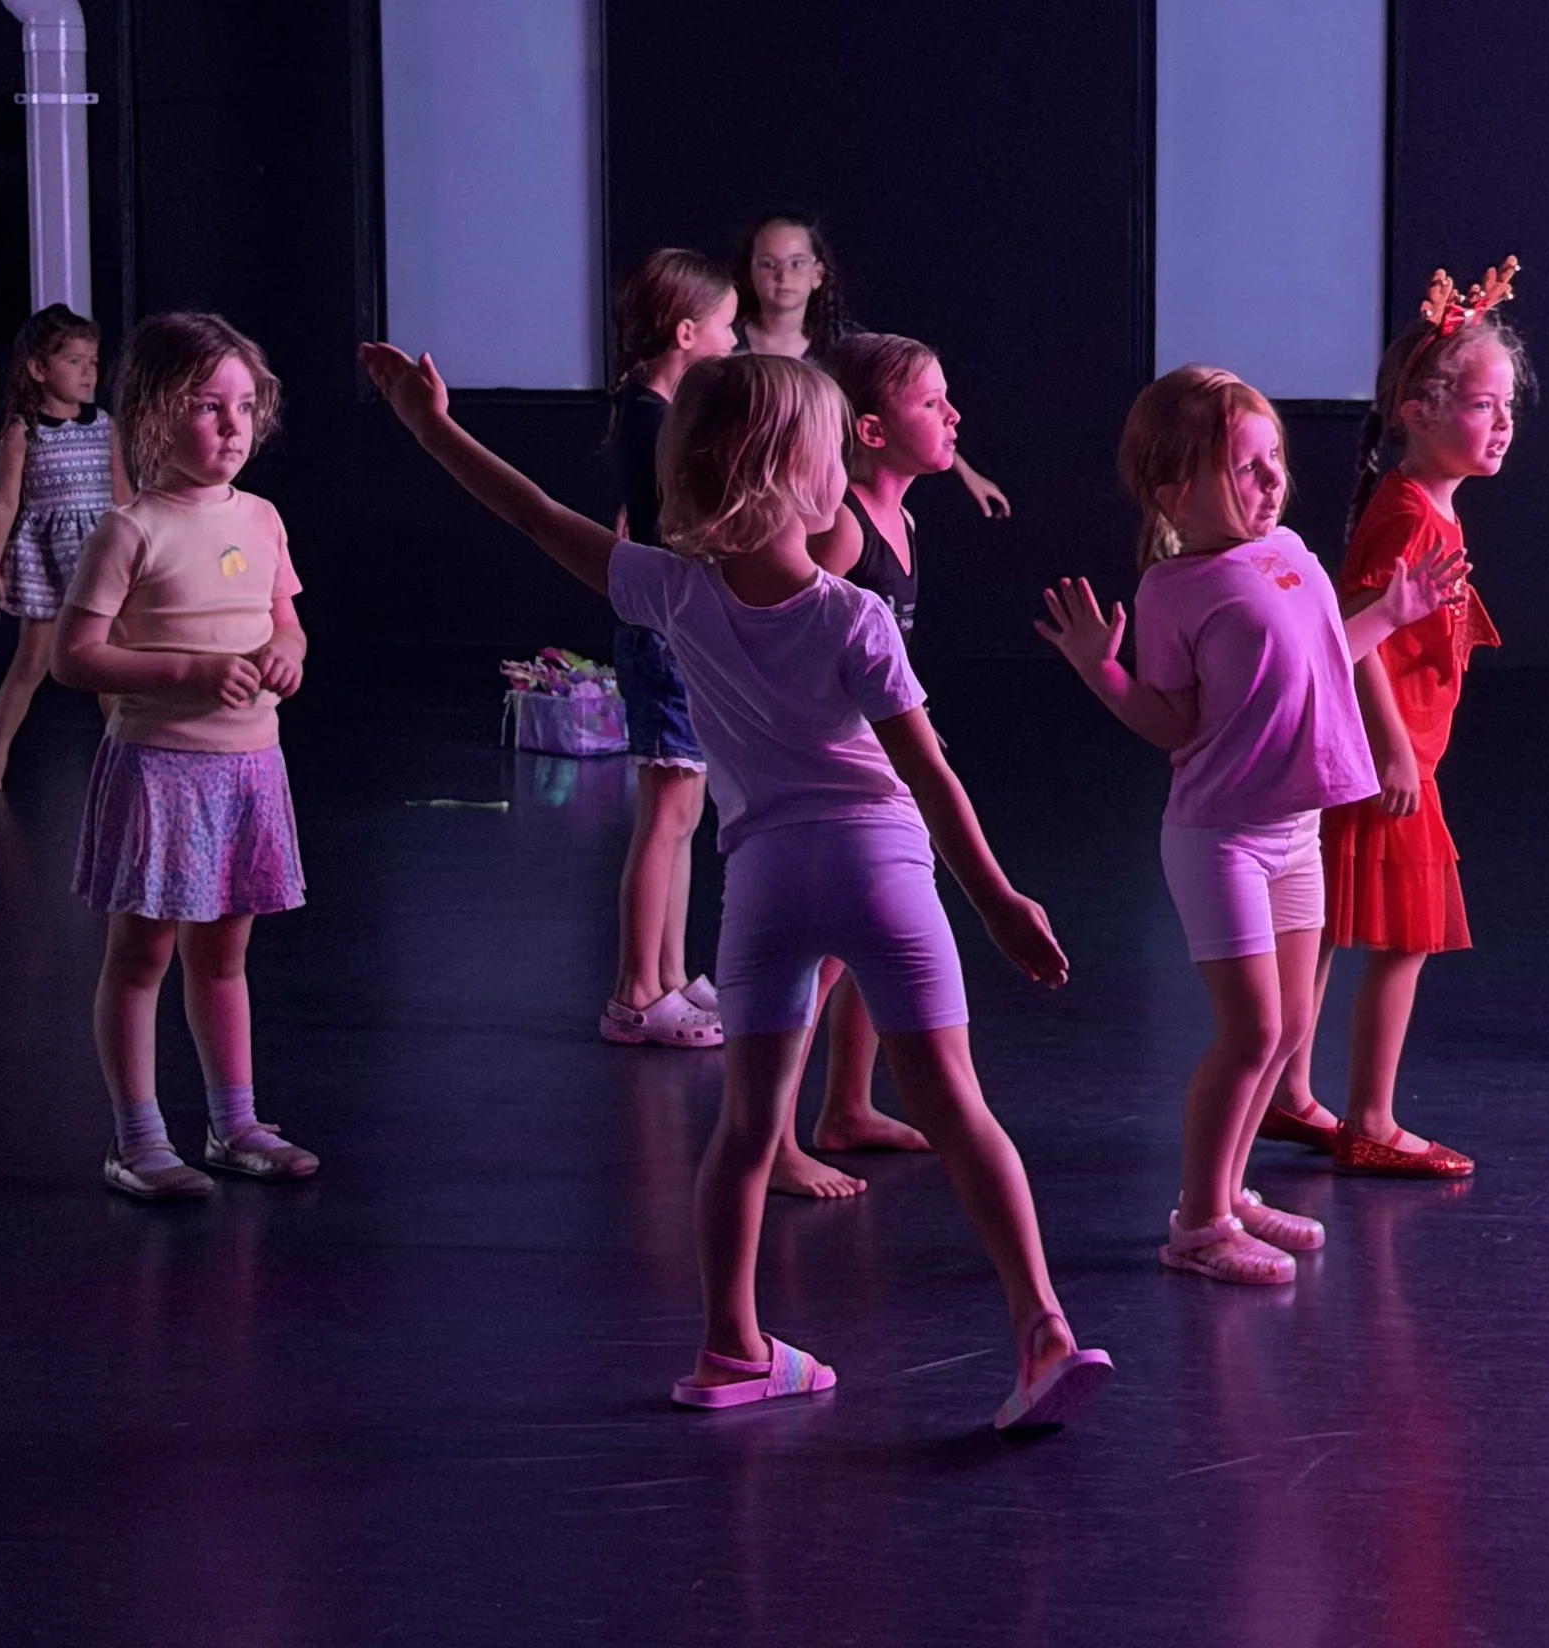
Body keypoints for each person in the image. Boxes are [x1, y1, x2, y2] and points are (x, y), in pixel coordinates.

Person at [362, 335, 1112, 1435]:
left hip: (764, 881)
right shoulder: (852, 616)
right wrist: (998, 899)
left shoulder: (670, 593)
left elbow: (526, 513)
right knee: (955, 1107)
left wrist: (431, 427)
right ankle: (1041, 1330)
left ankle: (731, 1346)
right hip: (880, 866)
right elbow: (928, 771)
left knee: (749, 1131)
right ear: (797, 478)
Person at [1037, 365, 1464, 1288]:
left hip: (1295, 829)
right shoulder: (1172, 590)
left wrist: (1390, 612)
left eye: (1274, 458)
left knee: (1292, 1021)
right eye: (1244, 466)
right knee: (1251, 1027)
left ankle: (1229, 1194)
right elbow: (1177, 725)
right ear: (1172, 492)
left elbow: (1321, 657)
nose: (1272, 479)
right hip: (1221, 836)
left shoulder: (1297, 554)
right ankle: (1197, 1223)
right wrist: (1098, 671)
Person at [1266, 264, 1523, 1182]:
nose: (1501, 422)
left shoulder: (1429, 508)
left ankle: (1292, 1091)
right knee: (1403, 933)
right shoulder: (1408, 511)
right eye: (1482, 404)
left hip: (1392, 751)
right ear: (1416, 411)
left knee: (1335, 924)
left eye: (1505, 406)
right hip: (1388, 757)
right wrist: (1393, 747)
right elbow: (1355, 633)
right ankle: (1370, 1116)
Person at [53, 312, 316, 1202]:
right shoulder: (129, 532)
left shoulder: (264, 517)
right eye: (209, 407)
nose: (234, 427)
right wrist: (190, 670)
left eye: (245, 407)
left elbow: (286, 618)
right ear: (157, 415)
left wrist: (289, 651)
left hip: (247, 771)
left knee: (224, 956)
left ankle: (234, 1122)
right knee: (142, 955)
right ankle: (137, 1137)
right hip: (161, 771)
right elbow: (74, 656)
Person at [805, 328, 959, 1158]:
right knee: (829, 955)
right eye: (931, 404)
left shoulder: (901, 519)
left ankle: (847, 1105)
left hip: (881, 763)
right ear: (870, 429)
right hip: (838, 773)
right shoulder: (844, 529)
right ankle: (781, 1132)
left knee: (876, 935)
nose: (953, 415)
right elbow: (791, 643)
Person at [602, 248, 742, 1052]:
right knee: (664, 814)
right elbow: (673, 520)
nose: (733, 341)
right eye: (725, 327)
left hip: (669, 628)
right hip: (662, 634)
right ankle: (632, 989)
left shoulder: (644, 410)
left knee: (681, 811)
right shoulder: (656, 417)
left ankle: (666, 973)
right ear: (687, 332)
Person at [733, 208, 1011, 518]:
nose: (783, 276)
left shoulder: (845, 349)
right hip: (740, 495)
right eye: (769, 264)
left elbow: (902, 411)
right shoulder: (723, 345)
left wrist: (963, 469)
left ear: (817, 275)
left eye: (797, 263)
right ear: (750, 271)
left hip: (819, 498)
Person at [0, 305, 129, 792]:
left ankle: (130, 760)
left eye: (93, 362)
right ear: (39, 369)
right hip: (46, 556)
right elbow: (4, 502)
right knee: (33, 660)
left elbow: (122, 493)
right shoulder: (23, 431)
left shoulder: (106, 425)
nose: (88, 373)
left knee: (108, 662)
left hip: (98, 554)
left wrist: (139, 551)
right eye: (75, 362)